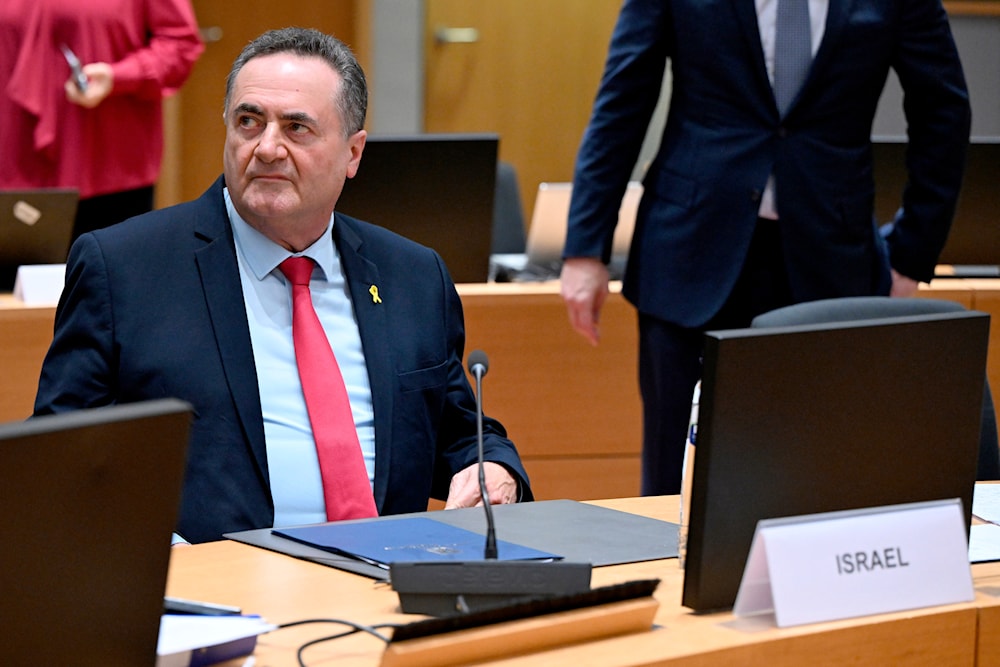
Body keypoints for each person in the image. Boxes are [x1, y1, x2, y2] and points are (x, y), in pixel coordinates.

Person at [33, 27, 533, 544]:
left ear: (353, 153)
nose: (267, 148)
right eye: (249, 122)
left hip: (385, 586)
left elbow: (459, 431)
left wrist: (494, 469)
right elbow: (55, 461)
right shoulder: (124, 268)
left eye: (297, 128)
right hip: (213, 595)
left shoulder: (411, 274)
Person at [560, 0, 971, 495]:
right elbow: (623, 98)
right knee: (676, 481)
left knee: (819, 476)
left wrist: (911, 251)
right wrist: (586, 248)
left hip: (830, 261)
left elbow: (942, 109)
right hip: (689, 254)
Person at [0, 0, 203, 241]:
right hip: (11, 164)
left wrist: (120, 76)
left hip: (107, 169)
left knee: (106, 273)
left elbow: (180, 44)